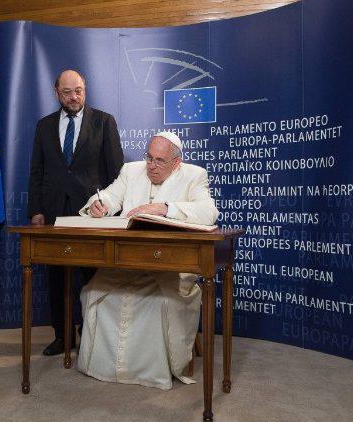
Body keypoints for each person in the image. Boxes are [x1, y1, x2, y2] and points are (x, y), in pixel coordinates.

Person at [76, 132, 219, 389]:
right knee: (96, 291)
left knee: (158, 302)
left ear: (176, 162)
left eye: (160, 161)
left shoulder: (194, 175)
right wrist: (100, 204)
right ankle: (104, 367)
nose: (151, 166)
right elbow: (110, 196)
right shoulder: (132, 171)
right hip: (127, 263)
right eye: (149, 158)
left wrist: (166, 208)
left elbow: (209, 213)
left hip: (170, 269)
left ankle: (150, 372)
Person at [28, 69, 124, 356]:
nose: (74, 97)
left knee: (93, 277)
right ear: (57, 92)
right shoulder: (44, 126)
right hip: (54, 212)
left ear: (85, 89)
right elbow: (37, 171)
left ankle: (93, 335)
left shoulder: (104, 122)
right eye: (68, 92)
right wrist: (35, 210)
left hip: (92, 214)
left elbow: (117, 174)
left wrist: (109, 208)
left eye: (79, 90)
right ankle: (63, 335)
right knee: (56, 278)